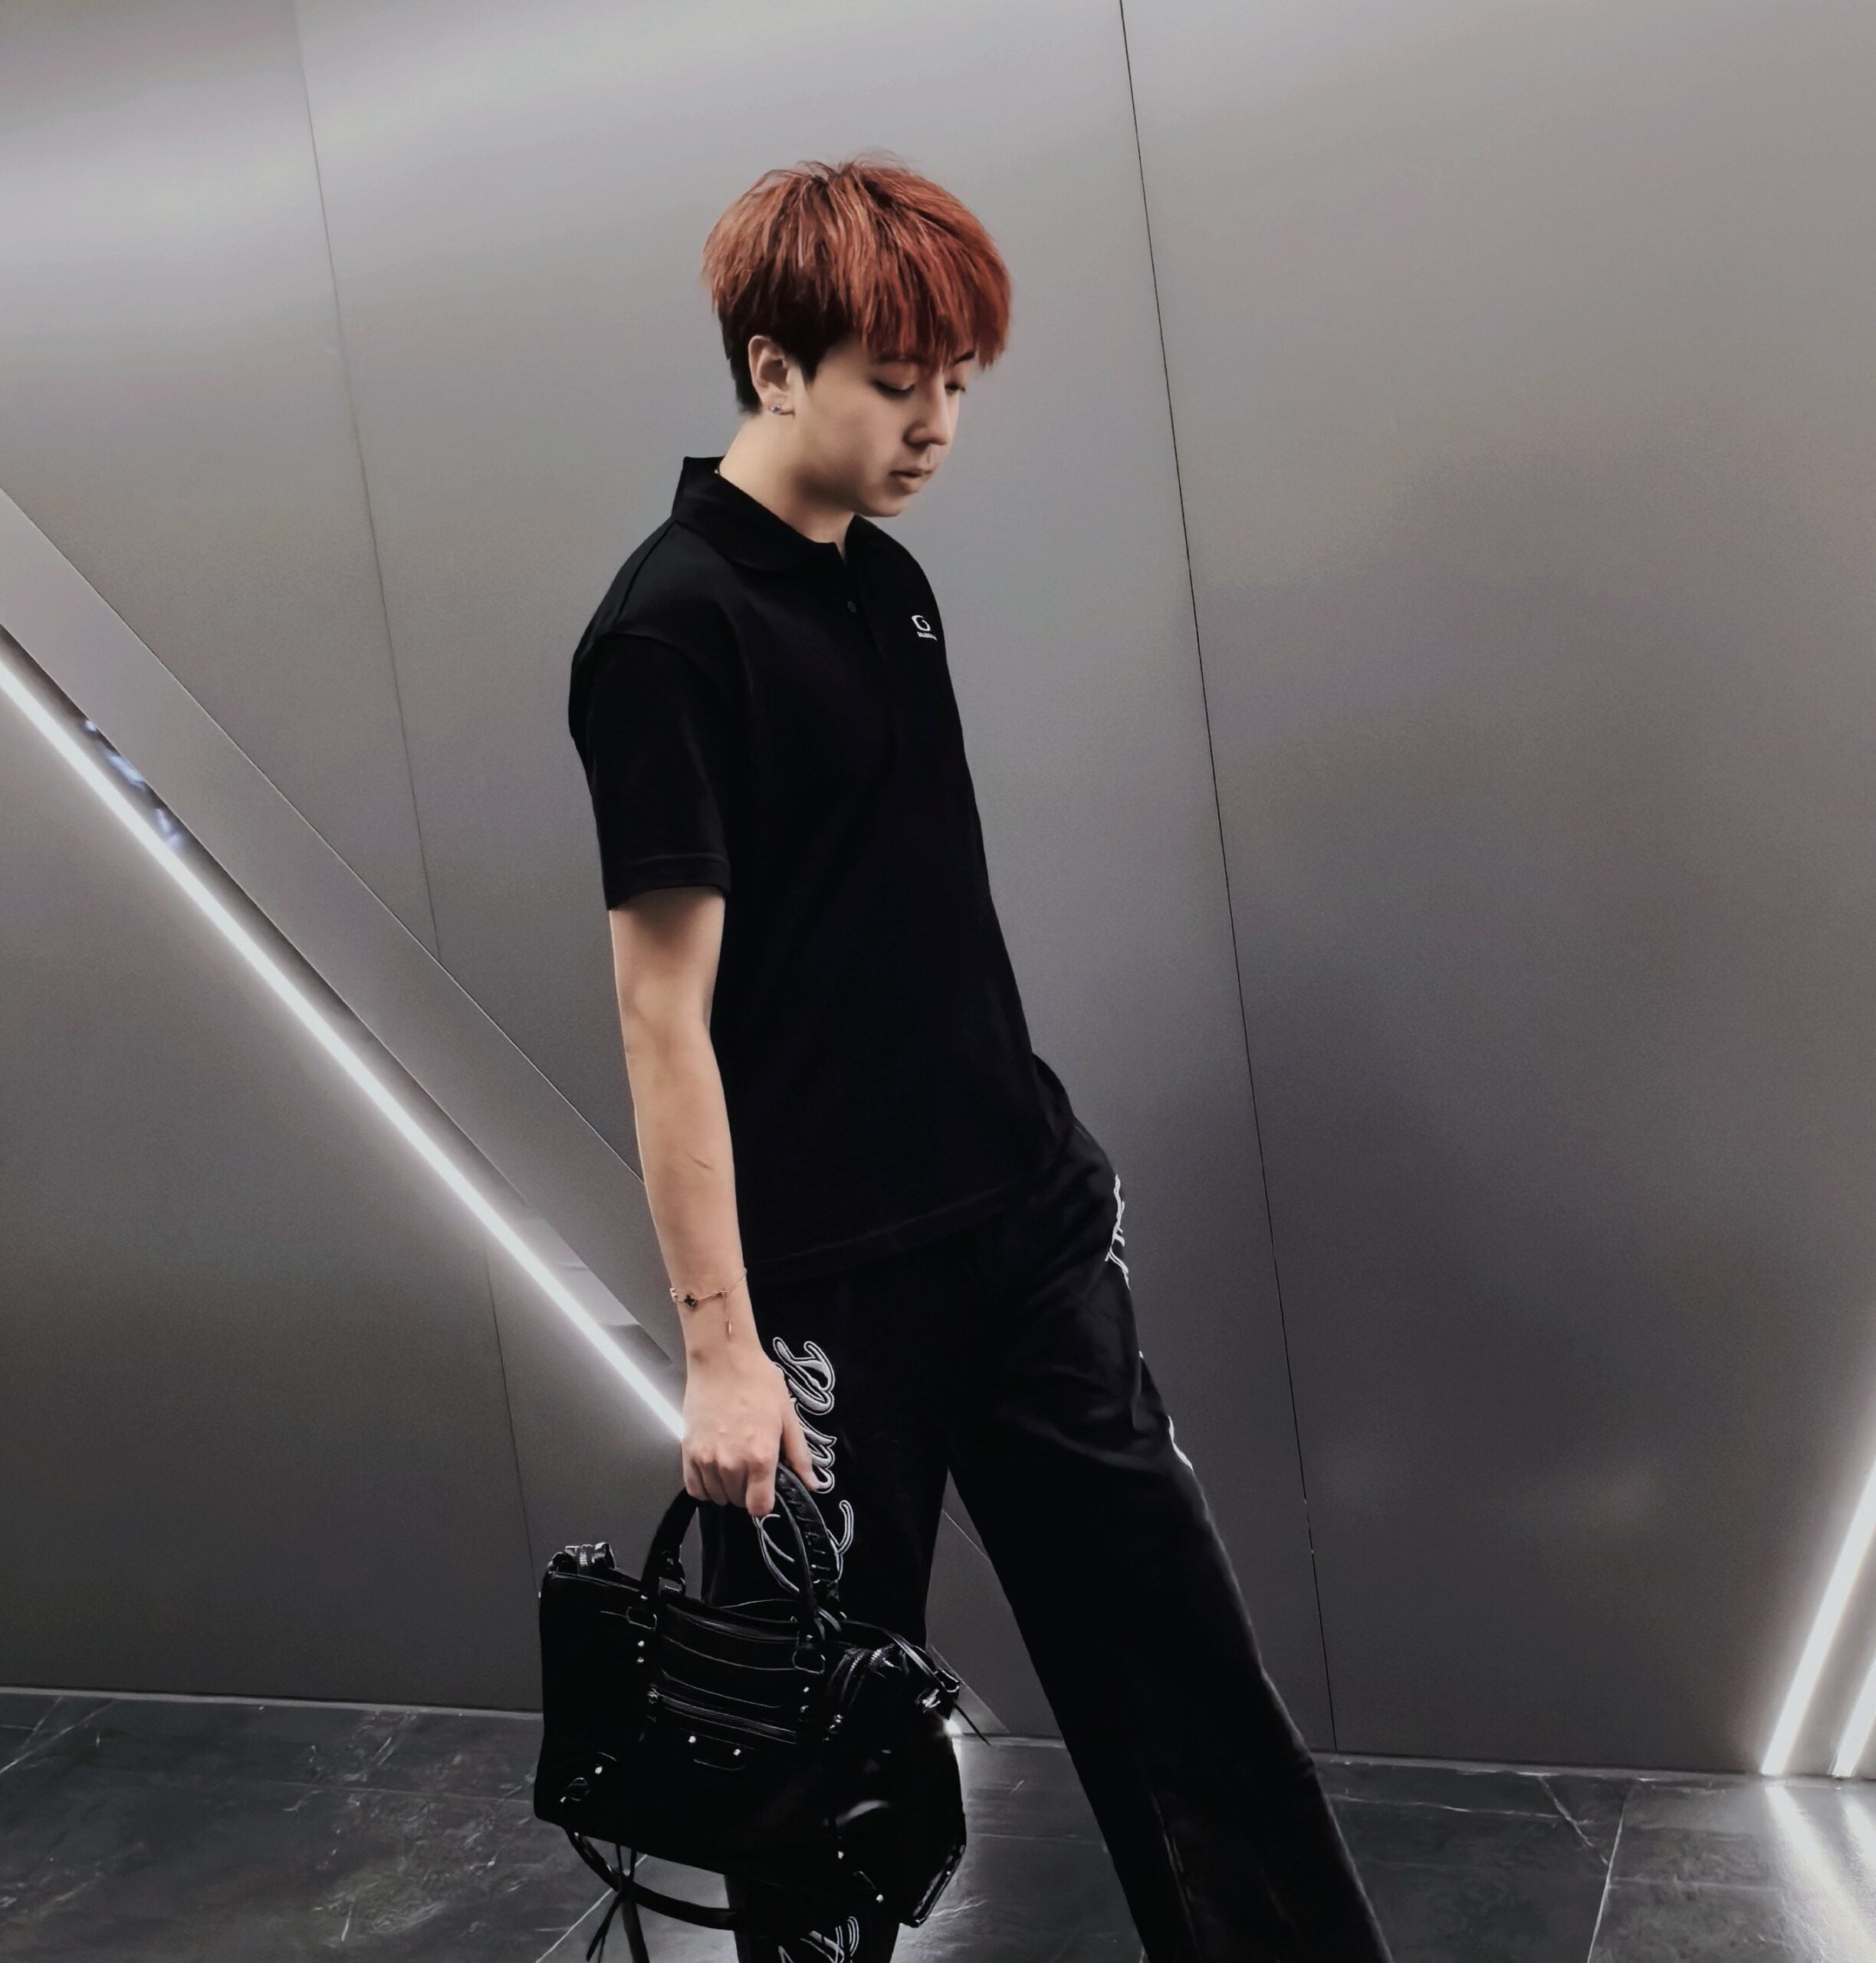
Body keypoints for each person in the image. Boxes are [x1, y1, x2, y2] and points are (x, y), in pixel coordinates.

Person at [568, 151, 1391, 1963]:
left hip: (1018, 1235)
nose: (937, 422)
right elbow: (660, 1015)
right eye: (897, 382)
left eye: (956, 382)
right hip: (826, 1296)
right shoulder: (667, 634)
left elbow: (916, 919)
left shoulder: (889, 583)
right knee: (821, 1776)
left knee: (1189, 1684)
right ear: (773, 366)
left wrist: (1053, 1170)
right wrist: (720, 1351)